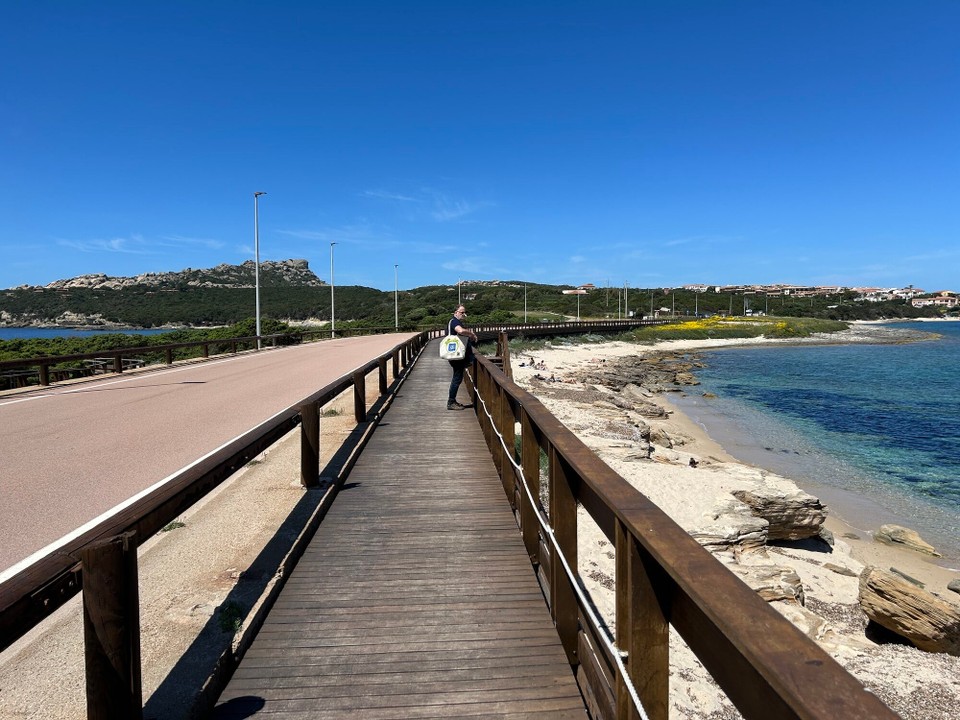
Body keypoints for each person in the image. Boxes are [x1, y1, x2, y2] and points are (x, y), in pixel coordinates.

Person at [446, 304, 477, 410]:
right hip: (456, 356)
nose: (464, 314)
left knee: (457, 378)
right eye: (461, 312)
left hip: (456, 355)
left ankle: (452, 401)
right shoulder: (454, 321)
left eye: (464, 312)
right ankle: (451, 402)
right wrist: (471, 334)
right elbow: (460, 331)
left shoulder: (455, 321)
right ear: (455, 313)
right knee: (457, 378)